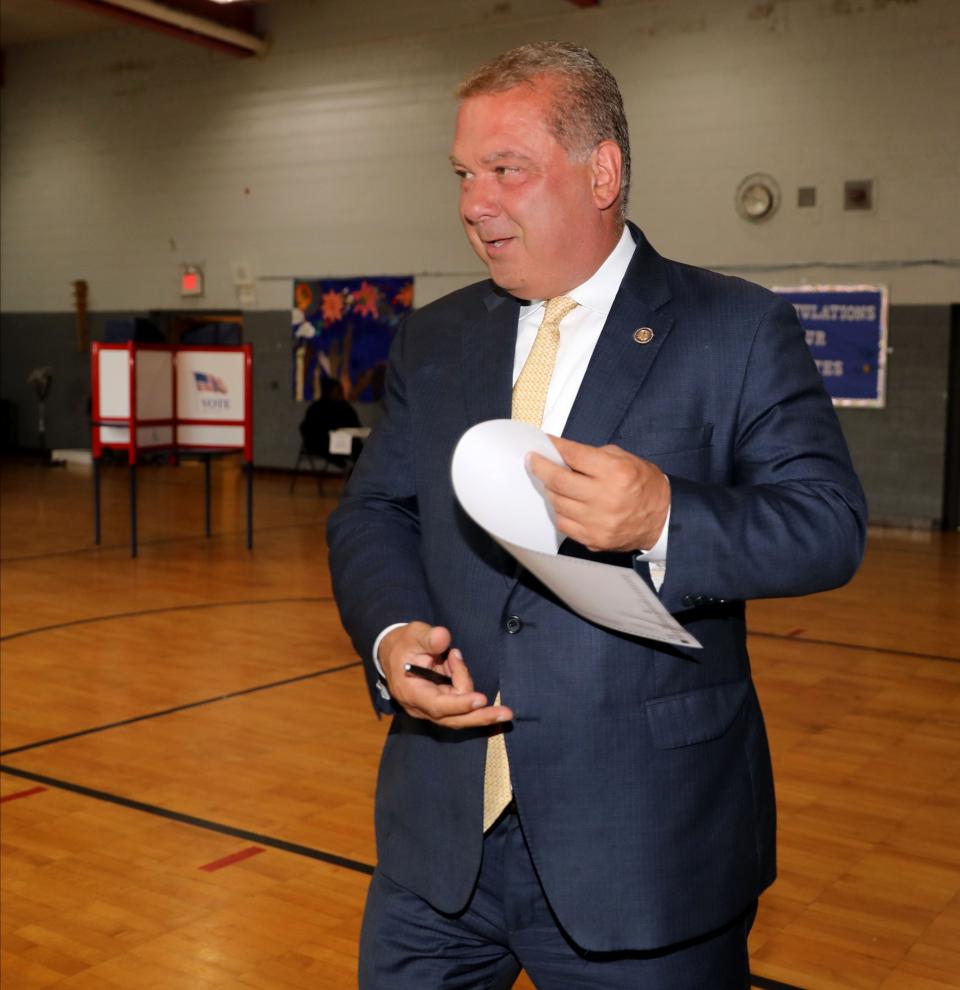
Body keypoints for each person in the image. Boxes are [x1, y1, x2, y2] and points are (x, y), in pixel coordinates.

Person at [328, 41, 866, 989]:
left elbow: (828, 524)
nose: (473, 203)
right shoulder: (437, 335)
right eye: (463, 173)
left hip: (645, 846)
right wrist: (390, 636)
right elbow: (374, 512)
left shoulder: (735, 328)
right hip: (440, 842)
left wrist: (665, 516)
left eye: (506, 170)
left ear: (602, 171)